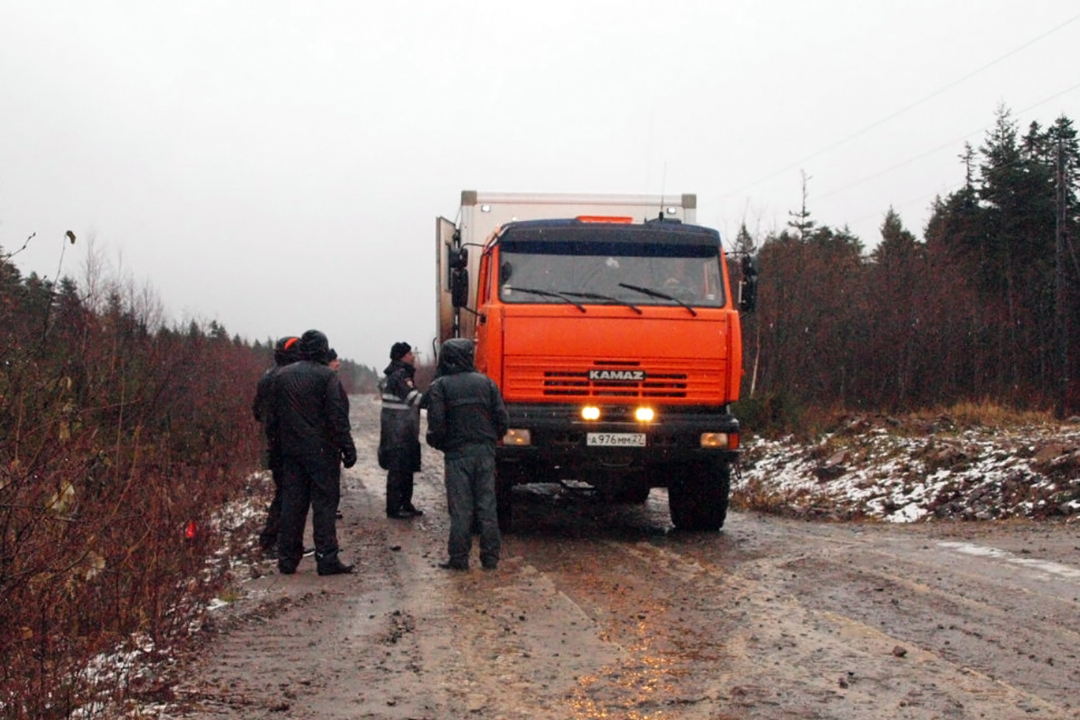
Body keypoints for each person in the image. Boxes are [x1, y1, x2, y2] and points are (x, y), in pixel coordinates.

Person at [270, 329, 357, 576]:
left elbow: (273, 418)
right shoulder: (327, 376)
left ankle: (287, 559)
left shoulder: (282, 376)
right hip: (322, 452)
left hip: (291, 452)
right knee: (325, 506)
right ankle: (326, 558)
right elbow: (336, 415)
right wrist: (347, 447)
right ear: (322, 348)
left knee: (293, 505)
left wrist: (275, 450)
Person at [424, 338, 509, 571]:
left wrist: (439, 442)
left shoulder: (441, 386)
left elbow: (436, 423)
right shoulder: (487, 383)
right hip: (485, 452)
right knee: (487, 506)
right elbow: (502, 419)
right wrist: (490, 440)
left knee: (461, 508)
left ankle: (459, 558)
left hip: (457, 454)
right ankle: (490, 558)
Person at [252, 335, 300, 555]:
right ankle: (273, 541)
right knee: (288, 494)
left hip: (275, 444)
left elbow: (257, 412)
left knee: (285, 492)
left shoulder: (268, 376)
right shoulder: (286, 377)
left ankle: (273, 540)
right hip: (286, 446)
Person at [379, 342, 424, 519]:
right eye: (410, 353)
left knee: (407, 467)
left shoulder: (396, 374)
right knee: (398, 469)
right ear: (403, 356)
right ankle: (394, 508)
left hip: (402, 430)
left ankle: (405, 503)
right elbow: (414, 399)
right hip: (398, 432)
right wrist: (436, 396)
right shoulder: (400, 376)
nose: (413, 356)